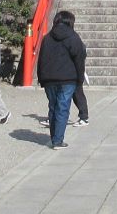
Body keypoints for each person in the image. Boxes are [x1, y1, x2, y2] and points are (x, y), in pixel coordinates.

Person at [36, 9, 86, 149]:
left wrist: (41, 77)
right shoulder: (73, 37)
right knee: (62, 108)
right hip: (67, 78)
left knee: (53, 107)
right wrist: (79, 78)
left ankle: (54, 137)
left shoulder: (47, 38)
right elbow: (79, 59)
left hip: (49, 78)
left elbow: (41, 59)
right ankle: (58, 140)